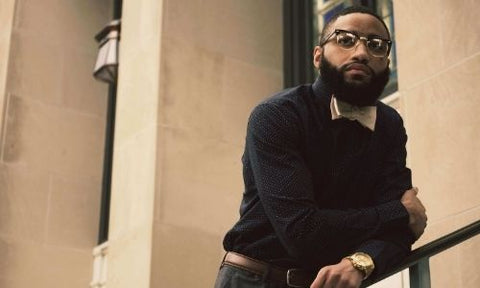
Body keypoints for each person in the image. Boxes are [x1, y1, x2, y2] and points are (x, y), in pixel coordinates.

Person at [215, 6, 427, 288]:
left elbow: (403, 234)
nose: (361, 52)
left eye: (376, 45)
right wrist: (398, 212)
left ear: (387, 61)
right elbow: (303, 231)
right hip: (256, 279)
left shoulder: (389, 125)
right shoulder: (277, 114)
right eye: (345, 40)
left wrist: (362, 261)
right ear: (318, 56)